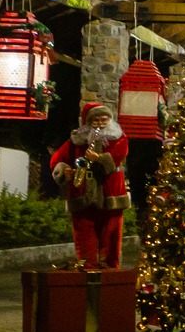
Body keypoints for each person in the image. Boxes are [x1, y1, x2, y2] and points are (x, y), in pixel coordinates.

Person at [49, 100, 128, 270]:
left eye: (104, 119)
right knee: (84, 236)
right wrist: (64, 169)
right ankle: (87, 269)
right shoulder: (76, 140)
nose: (100, 124)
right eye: (95, 120)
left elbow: (118, 156)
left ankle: (109, 271)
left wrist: (99, 159)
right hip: (82, 193)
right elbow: (58, 159)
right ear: (87, 122)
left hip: (110, 193)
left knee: (111, 236)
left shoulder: (119, 138)